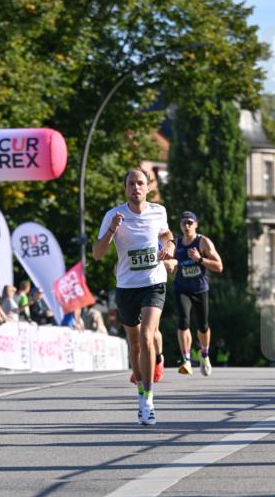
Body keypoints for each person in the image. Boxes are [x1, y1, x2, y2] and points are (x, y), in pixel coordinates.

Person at [93, 167, 175, 426]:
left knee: (147, 335)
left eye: (140, 183)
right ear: (125, 188)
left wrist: (170, 245)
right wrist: (112, 231)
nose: (136, 188)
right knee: (135, 342)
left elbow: (166, 233)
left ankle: (148, 400)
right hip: (127, 285)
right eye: (131, 183)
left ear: (148, 187)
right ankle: (140, 391)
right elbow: (97, 253)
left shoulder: (158, 211)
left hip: (153, 281)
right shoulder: (113, 215)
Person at [173, 211, 223, 377]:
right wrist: (169, 264)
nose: (187, 226)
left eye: (190, 223)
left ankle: (205, 354)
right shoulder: (177, 243)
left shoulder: (203, 242)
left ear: (196, 224)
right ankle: (186, 360)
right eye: (184, 223)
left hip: (200, 289)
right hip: (181, 288)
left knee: (203, 326)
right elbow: (169, 260)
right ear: (180, 226)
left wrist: (199, 259)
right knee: (183, 322)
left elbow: (219, 266)